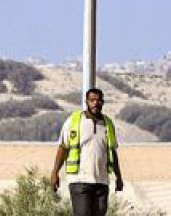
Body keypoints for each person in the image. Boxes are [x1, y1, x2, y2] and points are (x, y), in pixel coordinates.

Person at [51, 88, 125, 216]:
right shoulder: (73, 121)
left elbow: (112, 152)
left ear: (102, 102)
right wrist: (54, 172)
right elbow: (63, 147)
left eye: (98, 100)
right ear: (86, 102)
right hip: (79, 181)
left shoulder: (107, 124)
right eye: (92, 100)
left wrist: (119, 177)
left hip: (101, 182)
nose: (95, 103)